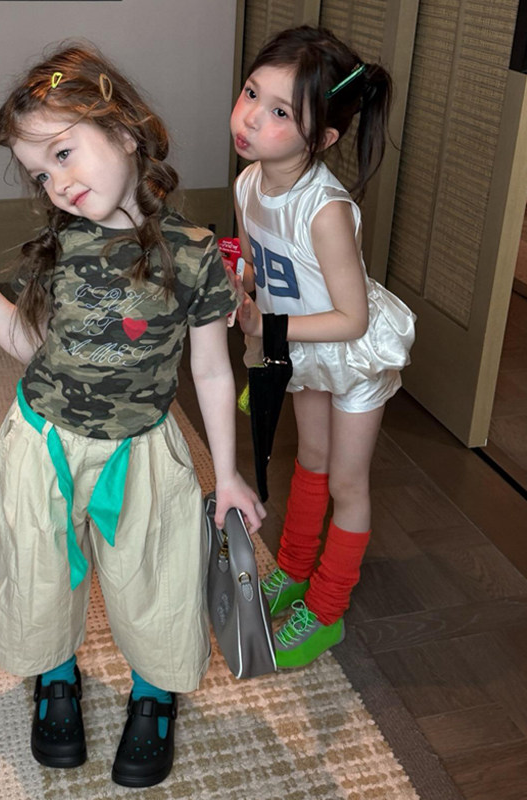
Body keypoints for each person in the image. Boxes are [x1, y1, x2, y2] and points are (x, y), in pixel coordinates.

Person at [0, 42, 265, 788]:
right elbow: (32, 347)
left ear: (126, 131)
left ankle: (153, 695)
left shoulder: (194, 254)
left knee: (156, 581)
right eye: (41, 174)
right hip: (43, 443)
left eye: (64, 154)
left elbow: (212, 369)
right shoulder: (60, 247)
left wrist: (230, 476)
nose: (58, 184)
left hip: (141, 451)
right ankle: (56, 679)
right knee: (39, 573)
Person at [229, 26, 415, 669]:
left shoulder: (326, 210)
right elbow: (257, 266)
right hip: (299, 345)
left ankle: (327, 610)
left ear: (324, 138)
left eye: (281, 112)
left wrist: (266, 326)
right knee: (309, 458)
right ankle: (293, 568)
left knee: (346, 480)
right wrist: (238, 285)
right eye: (252, 92)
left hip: (351, 355)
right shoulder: (248, 184)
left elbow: (352, 320)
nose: (252, 116)